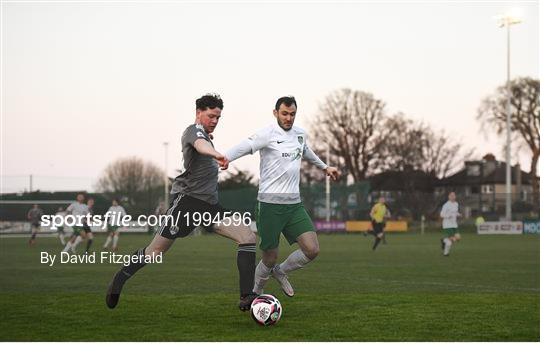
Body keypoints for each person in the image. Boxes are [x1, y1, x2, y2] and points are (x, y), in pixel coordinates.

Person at [105, 94, 257, 311]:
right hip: (187, 204)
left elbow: (206, 144)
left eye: (218, 117)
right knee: (155, 253)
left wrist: (215, 153)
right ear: (198, 113)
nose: (215, 120)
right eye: (211, 116)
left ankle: (246, 296)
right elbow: (200, 145)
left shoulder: (207, 136)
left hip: (210, 208)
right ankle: (119, 279)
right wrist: (217, 154)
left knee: (247, 236)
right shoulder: (193, 131)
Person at [224, 96, 340, 297]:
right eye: (284, 113)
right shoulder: (267, 134)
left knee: (312, 250)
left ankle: (281, 271)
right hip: (269, 205)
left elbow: (306, 151)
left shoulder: (300, 134)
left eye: (292, 114)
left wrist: (325, 167)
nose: (288, 118)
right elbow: (244, 145)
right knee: (269, 257)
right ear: (275, 112)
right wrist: (224, 158)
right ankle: (256, 292)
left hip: (294, 205)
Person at [440, 191, 461, 256]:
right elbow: (441, 215)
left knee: (458, 238)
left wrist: (458, 214)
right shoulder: (446, 205)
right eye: (451, 195)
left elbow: (455, 212)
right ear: (449, 197)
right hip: (447, 225)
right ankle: (446, 253)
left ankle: (444, 240)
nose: (453, 197)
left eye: (454, 195)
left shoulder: (456, 204)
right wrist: (448, 216)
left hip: (454, 224)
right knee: (450, 241)